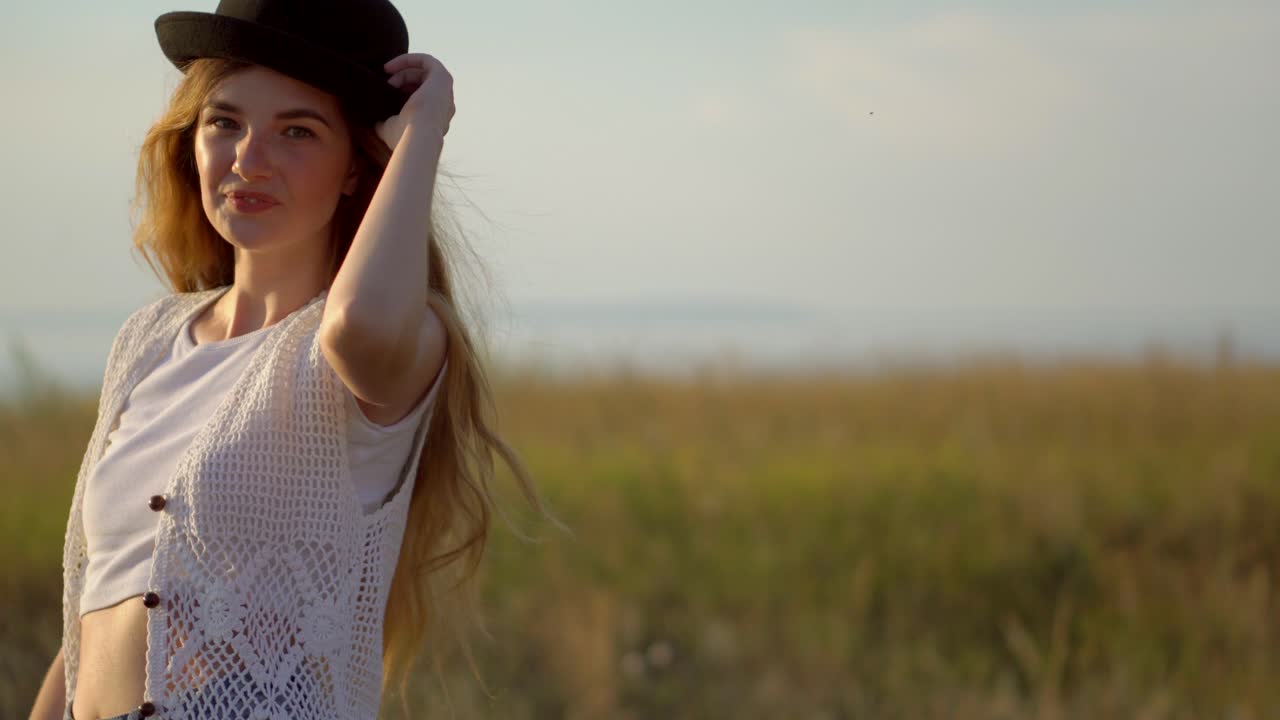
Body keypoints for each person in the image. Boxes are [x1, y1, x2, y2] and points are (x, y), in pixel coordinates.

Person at [26, 1, 563, 719]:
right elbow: (97, 602)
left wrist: (423, 132)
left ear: (355, 168)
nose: (249, 158)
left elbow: (357, 326)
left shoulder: (378, 345)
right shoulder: (148, 339)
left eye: (298, 131)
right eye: (225, 122)